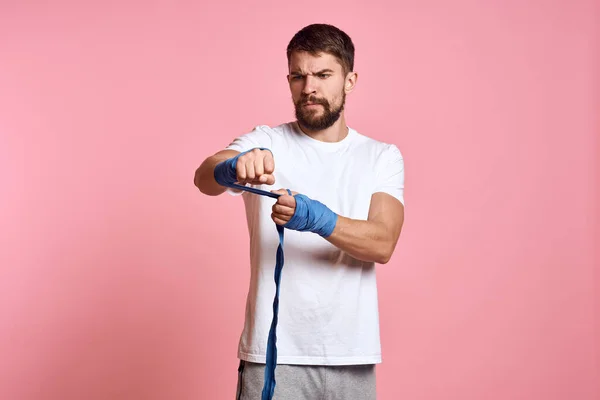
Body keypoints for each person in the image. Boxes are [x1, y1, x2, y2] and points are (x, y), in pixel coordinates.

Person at [194, 23, 405, 400]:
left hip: (352, 356)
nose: (309, 88)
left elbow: (383, 242)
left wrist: (316, 218)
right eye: (298, 76)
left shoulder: (381, 156)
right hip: (273, 356)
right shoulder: (267, 141)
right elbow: (204, 177)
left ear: (350, 80)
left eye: (323, 74)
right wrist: (233, 166)